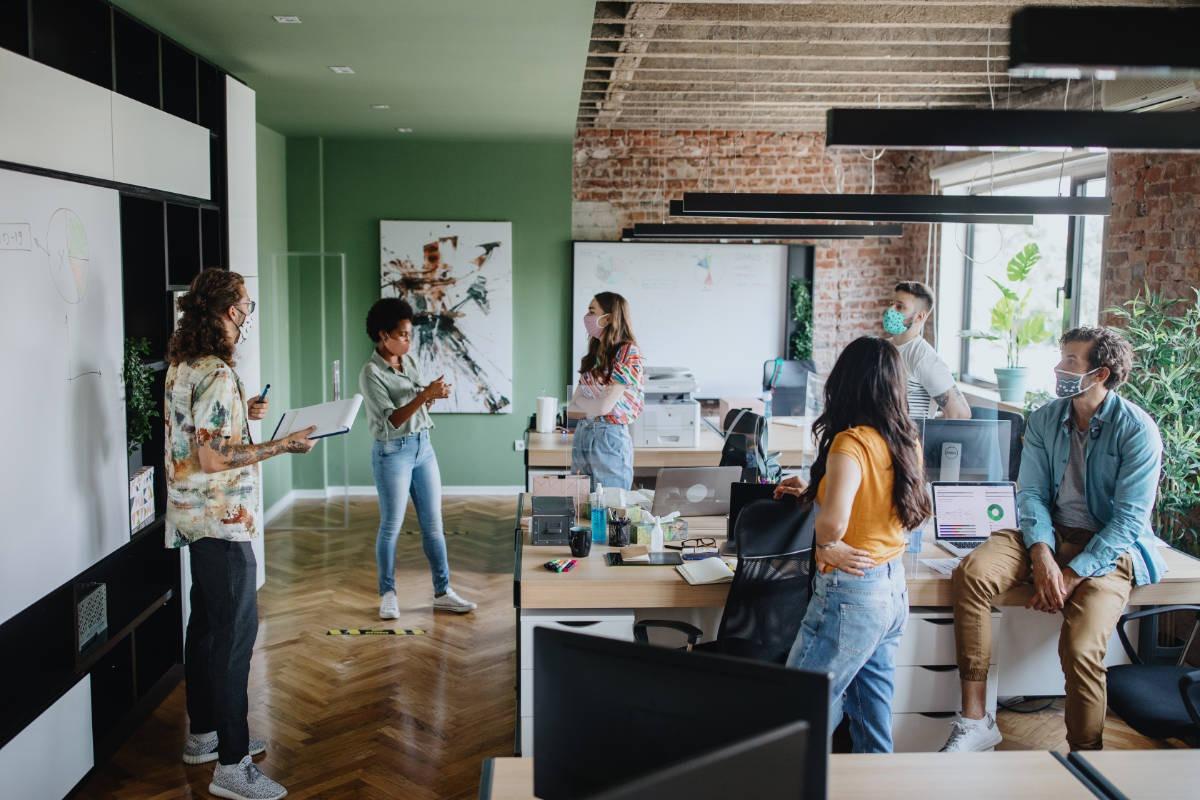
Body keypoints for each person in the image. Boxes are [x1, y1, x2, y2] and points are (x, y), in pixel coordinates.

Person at [942, 327, 1165, 753]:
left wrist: (1071, 574)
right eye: (1061, 357)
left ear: (1099, 374)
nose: (1058, 368)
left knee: (1081, 649)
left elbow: (1128, 523)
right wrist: (1042, 555)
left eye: (1069, 362)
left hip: (1106, 549)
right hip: (1046, 532)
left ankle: (1087, 757)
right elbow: (1031, 495)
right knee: (972, 572)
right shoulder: (1046, 417)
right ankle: (975, 720)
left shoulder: (1137, 430)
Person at [166, 269, 316, 800]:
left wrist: (245, 418)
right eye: (247, 306)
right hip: (223, 521)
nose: (249, 314)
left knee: (205, 627)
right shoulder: (217, 372)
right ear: (231, 312)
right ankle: (231, 767)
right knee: (234, 642)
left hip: (193, 518)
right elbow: (211, 457)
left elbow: (199, 435)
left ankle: (204, 735)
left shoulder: (185, 364)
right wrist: (282, 446)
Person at [783, 337, 932, 753]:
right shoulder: (905, 440)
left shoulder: (850, 442)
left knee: (800, 705)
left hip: (851, 594)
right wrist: (816, 489)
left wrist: (822, 545)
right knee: (872, 718)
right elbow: (877, 498)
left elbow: (834, 525)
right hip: (891, 590)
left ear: (846, 382)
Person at [360, 297, 476, 620]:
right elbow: (392, 420)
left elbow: (416, 407)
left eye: (410, 334)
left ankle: (443, 591)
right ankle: (388, 594)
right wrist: (424, 395)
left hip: (424, 448)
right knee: (391, 527)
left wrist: (432, 396)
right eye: (403, 334)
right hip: (392, 453)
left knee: (434, 526)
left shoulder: (406, 362)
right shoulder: (370, 373)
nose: (409, 340)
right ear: (384, 336)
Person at [569, 292, 644, 491]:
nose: (587, 317)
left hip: (608, 436)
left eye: (592, 311)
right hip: (584, 432)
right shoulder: (594, 356)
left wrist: (588, 403)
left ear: (609, 317)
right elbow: (572, 408)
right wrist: (592, 404)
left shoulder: (628, 352)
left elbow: (603, 407)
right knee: (581, 505)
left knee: (611, 507)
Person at [884, 281, 971, 420]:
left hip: (907, 440)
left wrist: (926, 437)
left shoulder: (923, 357)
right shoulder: (884, 348)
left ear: (919, 316)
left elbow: (960, 413)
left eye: (900, 306)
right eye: (891, 304)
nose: (891, 310)